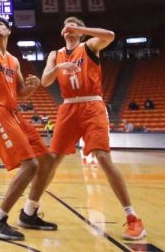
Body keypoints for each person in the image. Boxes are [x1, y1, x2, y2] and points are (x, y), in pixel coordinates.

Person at [27, 17, 146, 241]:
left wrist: (80, 29)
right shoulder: (55, 54)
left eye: (74, 25)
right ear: (62, 31)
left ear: (80, 32)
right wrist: (59, 66)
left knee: (102, 157)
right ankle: (30, 209)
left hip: (92, 105)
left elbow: (109, 35)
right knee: (52, 160)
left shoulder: (89, 46)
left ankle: (133, 218)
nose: (69, 27)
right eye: (66, 25)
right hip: (68, 107)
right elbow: (44, 81)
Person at [0, 17, 56, 241]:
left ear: (8, 31)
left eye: (0, 25)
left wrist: (32, 87)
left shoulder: (14, 60)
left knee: (46, 159)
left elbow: (20, 92)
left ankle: (29, 214)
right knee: (30, 165)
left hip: (13, 111)